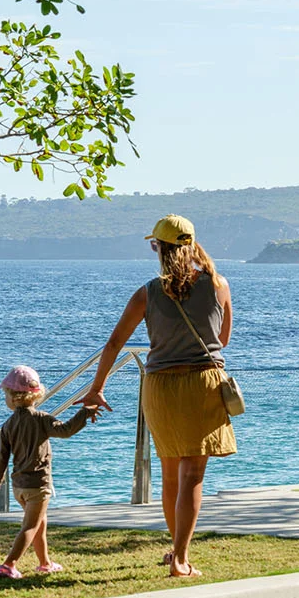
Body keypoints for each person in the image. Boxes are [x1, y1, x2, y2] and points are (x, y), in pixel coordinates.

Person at [81, 214, 235, 578]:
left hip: (161, 386)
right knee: (193, 475)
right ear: (192, 243)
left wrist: (96, 388)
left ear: (158, 248)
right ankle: (181, 557)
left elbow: (114, 344)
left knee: (170, 475)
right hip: (202, 383)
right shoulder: (218, 285)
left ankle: (177, 550)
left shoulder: (148, 292)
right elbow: (223, 340)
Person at [0, 365, 108, 579]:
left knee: (40, 522)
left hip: (19, 486)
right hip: (38, 484)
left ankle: (45, 563)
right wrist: (84, 413)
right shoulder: (42, 419)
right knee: (31, 526)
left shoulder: (8, 425)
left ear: (13, 398)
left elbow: (0, 458)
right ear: (36, 394)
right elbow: (66, 430)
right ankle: (8, 564)